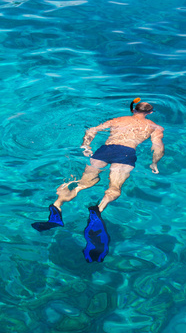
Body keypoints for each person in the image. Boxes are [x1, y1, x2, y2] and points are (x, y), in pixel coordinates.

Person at [32, 98, 165, 263]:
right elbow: (157, 147)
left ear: (133, 110)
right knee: (114, 188)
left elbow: (92, 130)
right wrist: (154, 163)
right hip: (126, 153)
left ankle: (57, 206)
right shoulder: (155, 127)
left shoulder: (117, 120)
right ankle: (97, 210)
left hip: (105, 150)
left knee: (84, 183)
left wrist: (86, 146)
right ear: (150, 112)